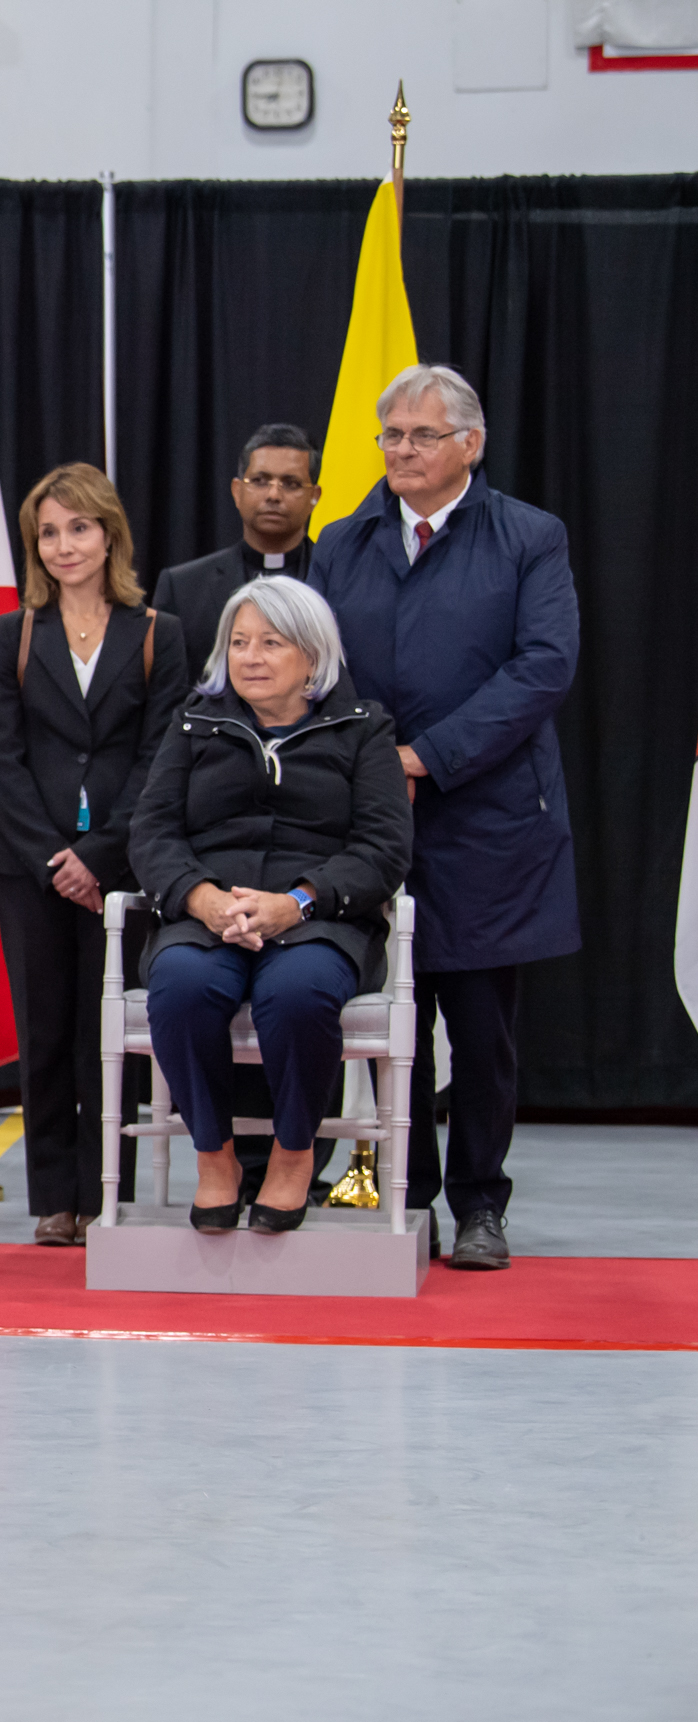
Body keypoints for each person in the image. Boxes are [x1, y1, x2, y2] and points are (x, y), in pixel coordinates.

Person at [306, 364, 578, 1271]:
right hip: (371, 818)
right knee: (392, 1021)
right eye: (391, 435)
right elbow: (318, 666)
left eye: (423, 435)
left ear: (472, 443)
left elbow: (543, 666)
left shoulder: (529, 536)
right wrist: (371, 760)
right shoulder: (341, 541)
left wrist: (426, 755)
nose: (403, 450)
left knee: (480, 1027)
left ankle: (480, 1205)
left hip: (488, 818)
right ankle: (405, 1195)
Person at [130, 577, 411, 1233]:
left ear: (312, 655)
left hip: (319, 922)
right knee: (182, 987)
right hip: (209, 916)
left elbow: (384, 848)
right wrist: (199, 897)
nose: (250, 657)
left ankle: (293, 1153)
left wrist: (299, 901)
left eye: (271, 643)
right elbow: (152, 831)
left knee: (299, 994)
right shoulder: (195, 723)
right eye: (238, 642)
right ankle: (214, 1155)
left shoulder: (363, 728)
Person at [0, 465, 184, 1246]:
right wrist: (53, 858)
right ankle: (53, 1199)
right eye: (49, 532)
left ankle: (106, 1192)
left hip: (121, 870)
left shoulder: (157, 632)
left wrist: (98, 855)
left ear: (109, 535)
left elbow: (161, 758)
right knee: (44, 1032)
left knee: (110, 1034)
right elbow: (3, 757)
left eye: (78, 528)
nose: (64, 545)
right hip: (29, 864)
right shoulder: (14, 633)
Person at [152, 425, 321, 684]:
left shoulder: (342, 580)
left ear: (314, 496)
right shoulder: (182, 588)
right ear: (236, 491)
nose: (274, 495)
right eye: (260, 481)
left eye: (291, 484)